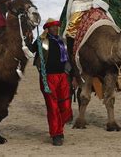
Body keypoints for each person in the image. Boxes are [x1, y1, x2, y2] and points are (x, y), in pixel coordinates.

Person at [31, 18, 73, 146]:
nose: (55, 29)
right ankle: (56, 134)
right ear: (47, 29)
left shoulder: (63, 41)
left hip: (63, 77)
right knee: (53, 107)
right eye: (53, 27)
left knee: (65, 106)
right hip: (48, 77)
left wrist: (74, 76)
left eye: (57, 27)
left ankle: (59, 128)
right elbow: (29, 50)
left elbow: (69, 60)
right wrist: (30, 39)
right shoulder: (41, 41)